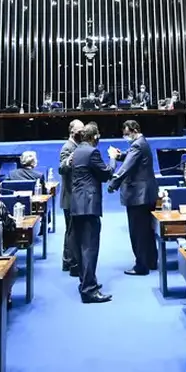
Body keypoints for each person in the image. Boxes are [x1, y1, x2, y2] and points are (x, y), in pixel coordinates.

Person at [68, 123, 112, 303]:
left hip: (76, 204)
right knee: (90, 248)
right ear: (94, 136)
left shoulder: (77, 150)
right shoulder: (93, 152)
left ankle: (86, 281)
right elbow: (106, 174)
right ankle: (89, 290)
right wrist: (113, 158)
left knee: (80, 247)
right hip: (88, 205)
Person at [108, 119, 158, 275]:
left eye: (127, 133)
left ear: (135, 130)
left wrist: (113, 184)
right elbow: (131, 157)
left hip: (138, 196)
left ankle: (141, 266)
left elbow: (126, 168)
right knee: (148, 230)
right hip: (148, 193)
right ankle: (151, 261)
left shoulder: (136, 145)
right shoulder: (142, 142)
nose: (125, 136)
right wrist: (120, 155)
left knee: (138, 232)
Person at [58, 119, 84, 275]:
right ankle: (70, 262)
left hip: (75, 195)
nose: (82, 132)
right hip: (70, 196)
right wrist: (69, 160)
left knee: (72, 230)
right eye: (79, 130)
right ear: (72, 131)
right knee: (71, 230)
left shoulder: (77, 146)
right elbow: (62, 167)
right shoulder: (67, 147)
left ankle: (68, 261)